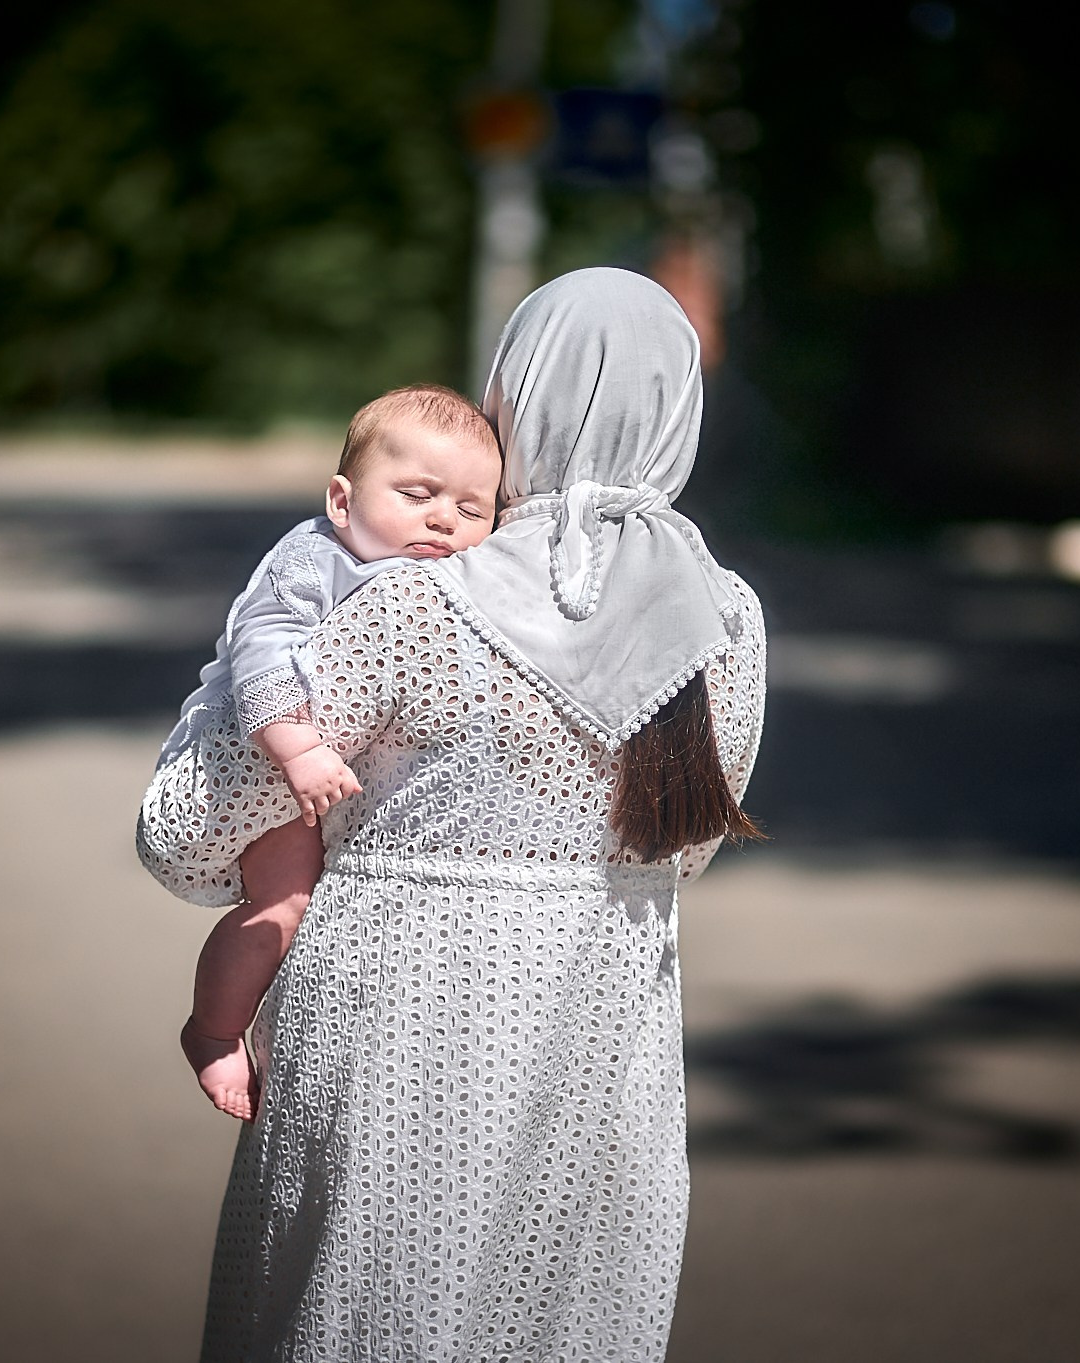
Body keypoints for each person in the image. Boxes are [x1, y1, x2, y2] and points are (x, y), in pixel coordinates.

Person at [137, 267, 767, 1361]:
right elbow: (686, 851)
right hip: (603, 1043)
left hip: (393, 1039)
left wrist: (223, 682)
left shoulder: (410, 594)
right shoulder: (727, 617)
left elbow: (191, 829)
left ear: (511, 396)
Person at [166, 384, 502, 1120]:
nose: (442, 518)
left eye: (472, 510)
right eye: (417, 494)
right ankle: (215, 1031)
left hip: (340, 778)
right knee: (283, 906)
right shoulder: (315, 559)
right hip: (264, 753)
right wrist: (299, 751)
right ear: (343, 501)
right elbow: (259, 657)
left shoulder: (450, 573)